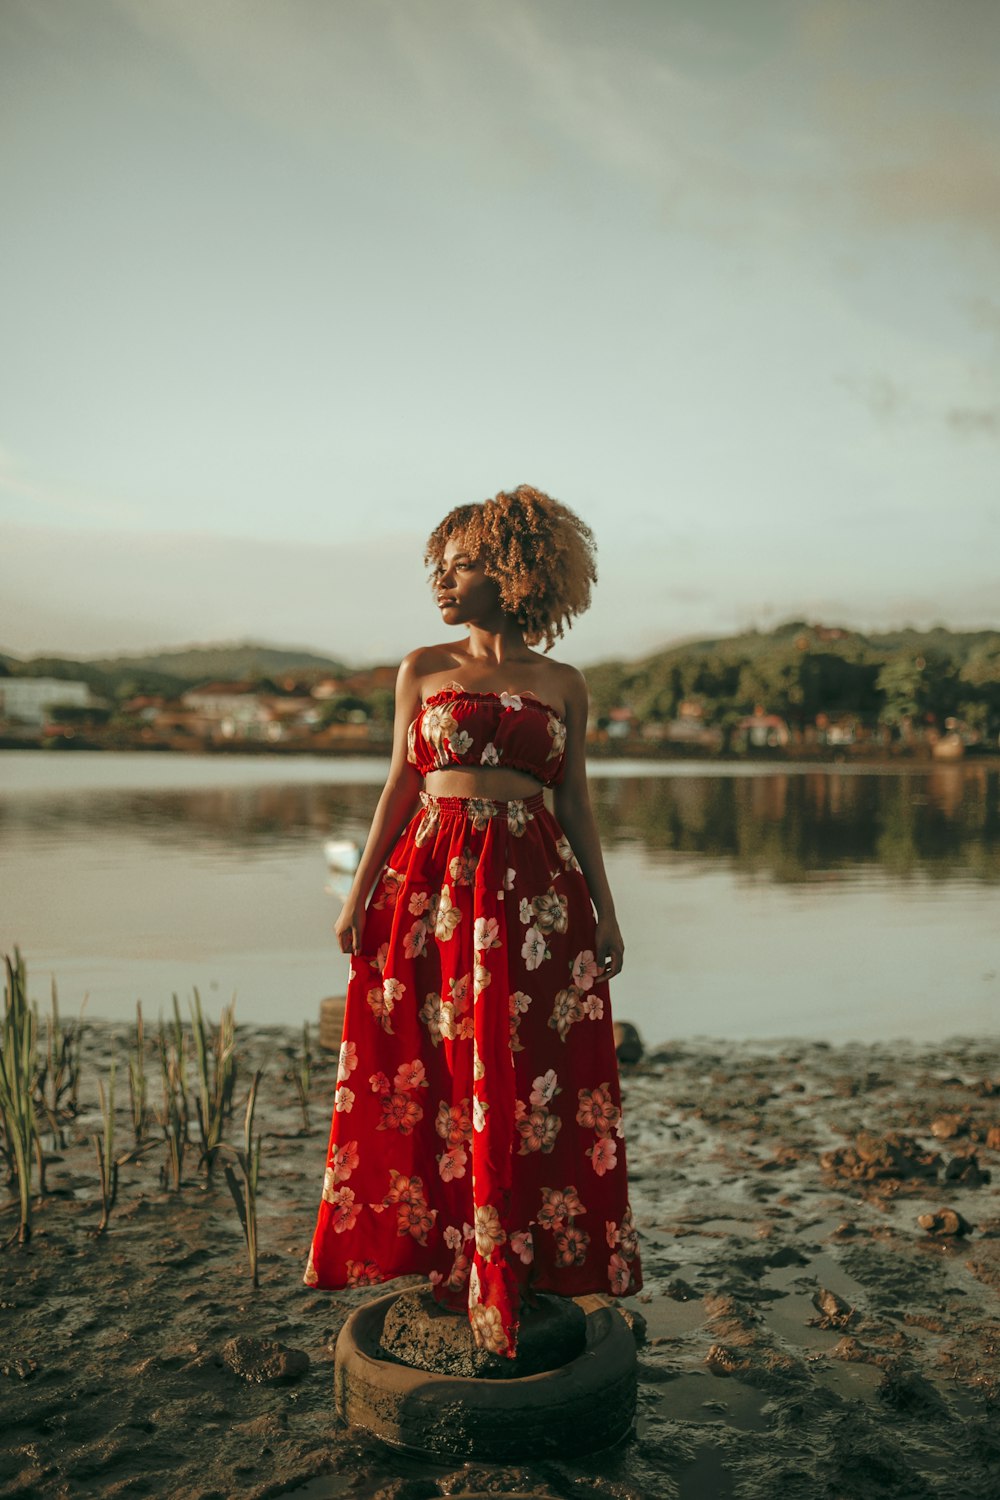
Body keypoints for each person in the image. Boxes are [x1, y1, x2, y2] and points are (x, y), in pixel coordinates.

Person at [303, 484, 641, 1357]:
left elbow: (576, 802)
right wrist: (357, 893)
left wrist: (605, 913)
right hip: (430, 887)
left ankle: (513, 1260)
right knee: (438, 1070)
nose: (442, 584)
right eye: (440, 569)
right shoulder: (422, 668)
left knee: (522, 1079)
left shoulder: (563, 685)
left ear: (516, 572)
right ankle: (452, 1258)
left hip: (533, 896)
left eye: (460, 568)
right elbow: (398, 787)